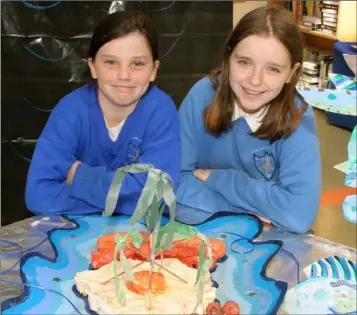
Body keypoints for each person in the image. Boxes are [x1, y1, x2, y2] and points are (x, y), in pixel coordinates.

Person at [175, 7, 321, 233]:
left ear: (291, 73)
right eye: (244, 62)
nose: (255, 80)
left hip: (270, 239)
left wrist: (220, 179)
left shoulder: (297, 116)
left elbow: (298, 214)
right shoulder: (201, 96)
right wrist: (242, 212)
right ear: (228, 57)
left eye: (273, 69)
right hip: (205, 230)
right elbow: (173, 181)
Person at [25, 11, 180, 216]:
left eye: (137, 64)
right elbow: (39, 196)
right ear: (93, 67)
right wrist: (129, 197)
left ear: (154, 70)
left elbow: (159, 197)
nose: (124, 75)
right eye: (111, 62)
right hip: (74, 236)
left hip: (136, 239)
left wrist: (81, 178)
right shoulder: (71, 110)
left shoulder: (160, 109)